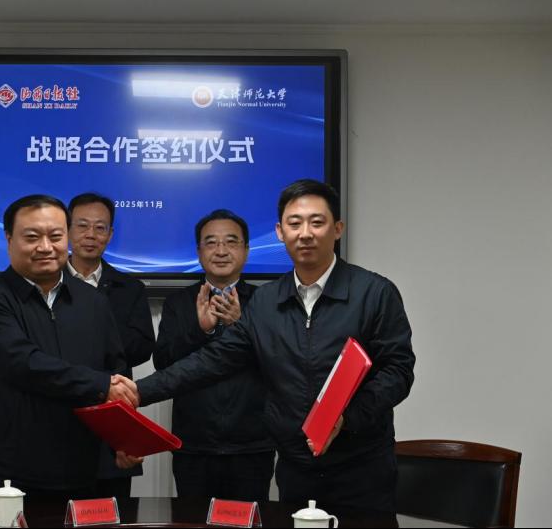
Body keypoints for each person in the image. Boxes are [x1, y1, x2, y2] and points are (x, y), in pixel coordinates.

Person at [121, 180, 416, 513]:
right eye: (295, 223)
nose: (305, 233)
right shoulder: (266, 301)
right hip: (296, 467)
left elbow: (398, 371)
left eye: (317, 222)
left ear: (337, 229)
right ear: (279, 232)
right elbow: (212, 360)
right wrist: (137, 391)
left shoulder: (374, 293)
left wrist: (347, 417)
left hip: (362, 465)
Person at [0, 194, 140, 503]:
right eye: (32, 237)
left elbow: (116, 368)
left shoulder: (94, 302)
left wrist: (123, 438)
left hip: (83, 470)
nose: (45, 247)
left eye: (55, 236)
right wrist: (101, 385)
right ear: (9, 239)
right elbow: (23, 363)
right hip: (12, 474)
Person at [153, 209, 275, 502]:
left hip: (252, 446)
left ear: (246, 250)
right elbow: (164, 363)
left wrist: (240, 326)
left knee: (247, 521)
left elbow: (278, 364)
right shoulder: (178, 303)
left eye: (231, 242)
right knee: (193, 520)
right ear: (199, 252)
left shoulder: (267, 301)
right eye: (211, 242)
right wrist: (200, 331)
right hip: (194, 445)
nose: (221, 251)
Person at [67, 192, 156, 499]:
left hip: (112, 419)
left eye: (100, 227)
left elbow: (142, 347)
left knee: (112, 511)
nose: (91, 235)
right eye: (82, 225)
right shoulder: (47, 284)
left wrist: (86, 337)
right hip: (58, 420)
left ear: (110, 234)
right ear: (68, 230)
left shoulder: (130, 288)